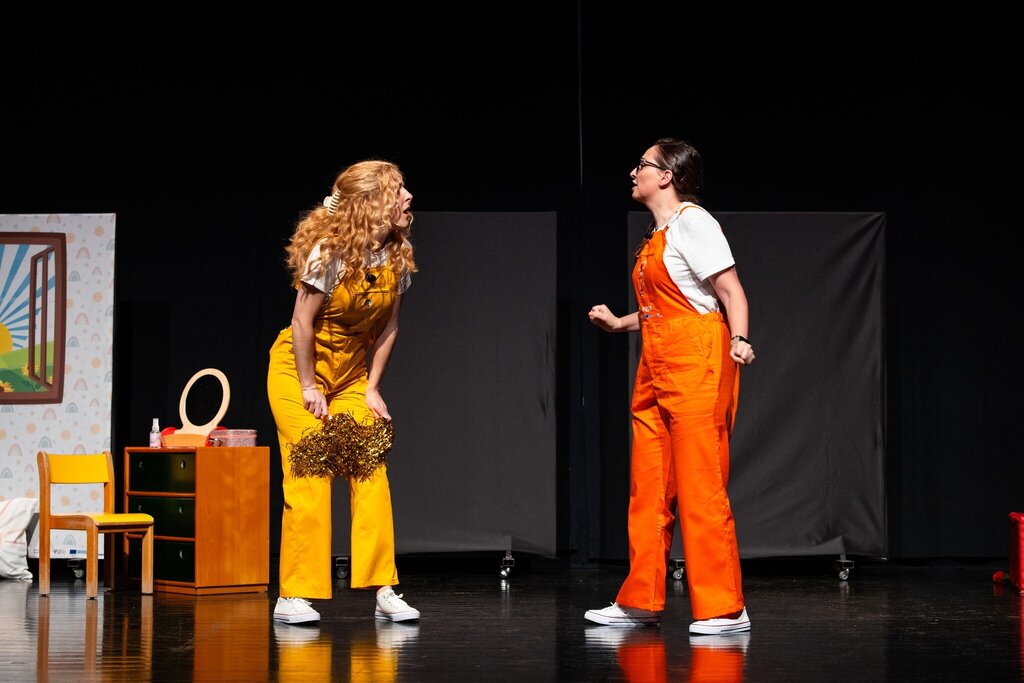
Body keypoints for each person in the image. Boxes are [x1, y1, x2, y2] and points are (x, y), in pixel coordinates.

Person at [585, 138, 755, 635]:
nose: (632, 172)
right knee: (649, 488)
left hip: (697, 359)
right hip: (655, 363)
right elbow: (663, 307)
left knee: (701, 484)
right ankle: (641, 600)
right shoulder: (657, 236)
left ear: (667, 175)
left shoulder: (693, 222)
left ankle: (725, 609)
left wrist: (740, 339)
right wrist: (620, 323)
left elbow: (730, 292)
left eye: (642, 164)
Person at [267, 159, 419, 625]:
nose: (408, 197)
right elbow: (301, 322)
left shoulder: (396, 256)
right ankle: (294, 594)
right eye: (398, 190)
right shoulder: (328, 252)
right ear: (371, 202)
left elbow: (390, 327)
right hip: (298, 371)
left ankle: (383, 587)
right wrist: (309, 385)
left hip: (350, 377)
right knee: (311, 468)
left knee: (370, 468)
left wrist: (372, 388)